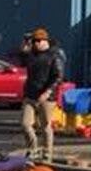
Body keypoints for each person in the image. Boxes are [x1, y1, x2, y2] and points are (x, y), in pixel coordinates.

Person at [21, 27, 63, 161]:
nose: (37, 43)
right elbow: (22, 56)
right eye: (35, 41)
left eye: (39, 41)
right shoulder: (32, 54)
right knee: (25, 124)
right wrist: (26, 43)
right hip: (30, 94)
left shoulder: (54, 55)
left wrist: (48, 91)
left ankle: (47, 153)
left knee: (45, 126)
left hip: (46, 97)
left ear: (46, 41)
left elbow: (58, 77)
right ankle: (33, 149)